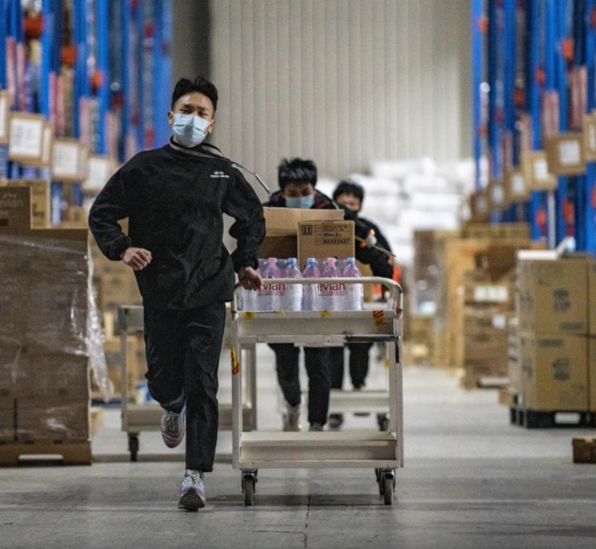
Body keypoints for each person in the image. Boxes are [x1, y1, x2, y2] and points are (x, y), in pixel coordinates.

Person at [89, 76, 265, 512]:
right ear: (171, 116)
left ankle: (195, 475)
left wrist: (244, 262)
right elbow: (103, 214)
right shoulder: (143, 168)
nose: (193, 119)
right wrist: (122, 248)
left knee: (203, 381)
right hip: (161, 289)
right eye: (186, 110)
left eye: (202, 113)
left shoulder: (221, 170)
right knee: (164, 377)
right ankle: (171, 404)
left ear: (212, 123)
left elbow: (251, 218)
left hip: (209, 288)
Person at [264, 157, 335, 432]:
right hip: (280, 298)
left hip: (319, 299)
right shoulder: (267, 214)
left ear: (314, 190)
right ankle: (293, 405)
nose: (300, 199)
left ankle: (317, 423)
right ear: (282, 192)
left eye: (305, 193)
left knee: (319, 364)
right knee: (286, 362)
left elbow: (354, 241)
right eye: (293, 194)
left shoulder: (330, 212)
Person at [328, 180, 394, 429]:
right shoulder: (324, 230)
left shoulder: (368, 231)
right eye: (343, 203)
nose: (348, 208)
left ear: (361, 206)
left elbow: (386, 259)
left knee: (360, 347)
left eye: (352, 204)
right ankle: (333, 406)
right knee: (332, 350)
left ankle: (358, 389)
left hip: (362, 301)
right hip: (330, 302)